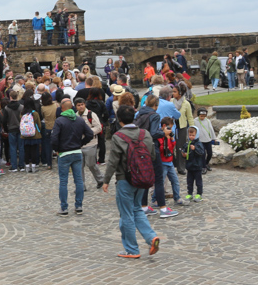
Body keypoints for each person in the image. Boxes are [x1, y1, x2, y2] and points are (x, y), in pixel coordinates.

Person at [102, 106, 160, 259]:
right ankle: (151, 237)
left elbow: (113, 161)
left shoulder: (118, 136)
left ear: (119, 120)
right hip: (142, 179)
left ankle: (132, 249)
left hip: (125, 179)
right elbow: (152, 155)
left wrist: (106, 180)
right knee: (137, 209)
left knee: (126, 214)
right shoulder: (145, 134)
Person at [52, 98, 94, 215]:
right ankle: (79, 206)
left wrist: (57, 149)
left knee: (63, 181)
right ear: (72, 107)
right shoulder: (79, 120)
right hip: (76, 152)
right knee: (79, 180)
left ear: (62, 108)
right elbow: (90, 134)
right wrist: (81, 143)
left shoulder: (60, 121)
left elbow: (54, 138)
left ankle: (64, 207)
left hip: (64, 153)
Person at [73, 97, 103, 191]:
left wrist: (88, 132)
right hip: (79, 144)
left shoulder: (91, 114)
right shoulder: (75, 116)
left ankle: (100, 179)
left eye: (82, 104)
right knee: (79, 166)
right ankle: (81, 185)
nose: (81, 107)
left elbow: (98, 127)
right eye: (79, 105)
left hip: (91, 143)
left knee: (91, 164)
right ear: (76, 107)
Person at [155, 118, 185, 210]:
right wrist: (165, 138)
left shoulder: (169, 137)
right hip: (163, 162)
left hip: (170, 162)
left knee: (175, 181)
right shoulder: (159, 136)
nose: (170, 130)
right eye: (169, 128)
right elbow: (160, 149)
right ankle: (154, 199)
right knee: (161, 183)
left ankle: (177, 197)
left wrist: (172, 139)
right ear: (164, 127)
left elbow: (172, 148)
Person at [3, 87, 25, 172]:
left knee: (12, 148)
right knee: (21, 147)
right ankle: (21, 165)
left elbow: (4, 120)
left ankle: (14, 166)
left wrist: (6, 129)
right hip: (20, 128)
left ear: (10, 97)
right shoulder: (21, 107)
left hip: (11, 129)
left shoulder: (7, 108)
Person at [184, 126, 206, 202]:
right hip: (189, 166)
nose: (191, 137)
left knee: (198, 181)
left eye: (193, 135)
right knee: (189, 182)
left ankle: (199, 194)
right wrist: (184, 154)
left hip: (197, 166)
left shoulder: (199, 143)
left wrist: (195, 149)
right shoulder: (187, 143)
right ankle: (189, 193)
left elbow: (201, 153)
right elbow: (184, 151)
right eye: (190, 135)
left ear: (196, 135)